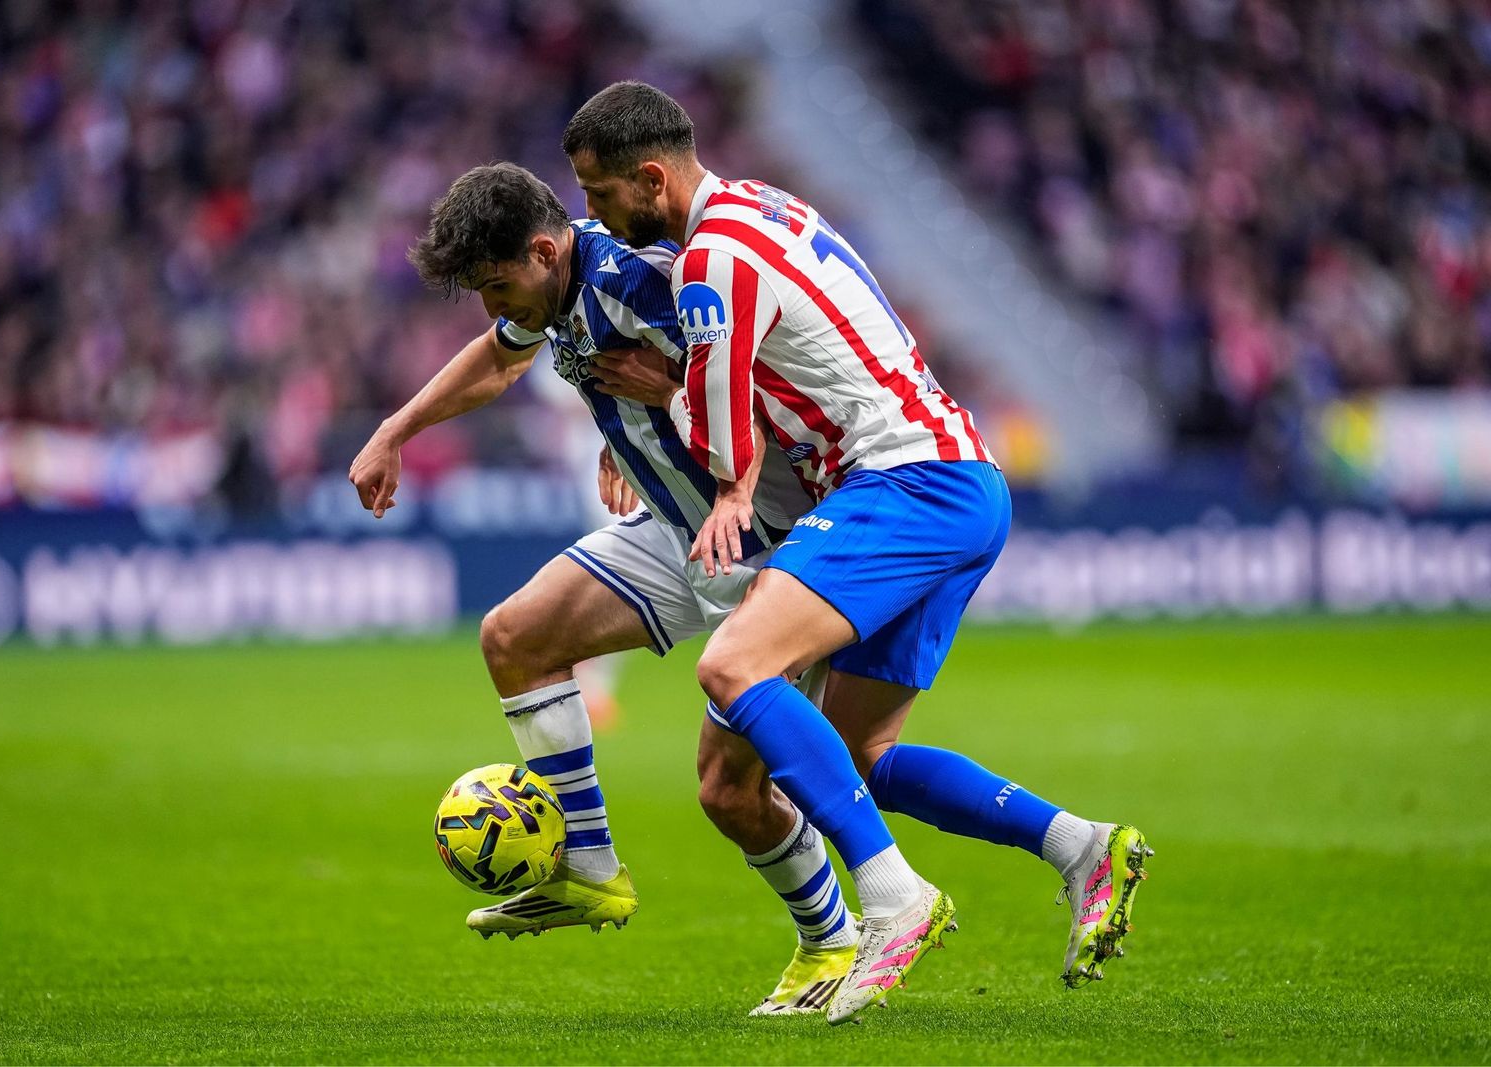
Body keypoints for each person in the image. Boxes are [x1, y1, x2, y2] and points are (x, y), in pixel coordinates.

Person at [562, 82, 1152, 1023]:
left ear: (650, 176)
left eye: (599, 195)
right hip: (960, 475)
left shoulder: (710, 260)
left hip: (901, 483)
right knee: (861, 752)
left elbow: (721, 443)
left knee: (732, 663)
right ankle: (1082, 846)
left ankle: (893, 898)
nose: (594, 215)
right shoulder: (760, 204)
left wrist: (656, 397)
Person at [348, 162, 860, 1015]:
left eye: (497, 285)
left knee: (730, 793)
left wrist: (664, 401)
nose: (492, 307)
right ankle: (587, 867)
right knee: (515, 636)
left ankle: (833, 939)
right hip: (674, 529)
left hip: (770, 550)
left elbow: (765, 392)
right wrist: (396, 428)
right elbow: (497, 360)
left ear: (545, 252)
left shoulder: (645, 281)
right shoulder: (554, 295)